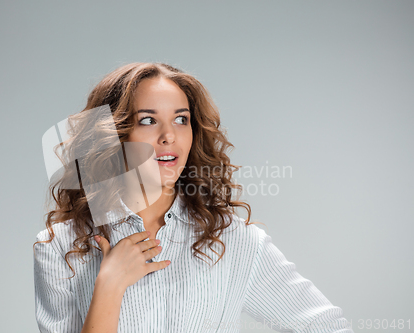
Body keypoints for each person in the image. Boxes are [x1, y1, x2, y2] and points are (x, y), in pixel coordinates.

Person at [33, 62, 354, 333]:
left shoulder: (233, 239)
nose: (168, 135)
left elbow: (328, 326)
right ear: (114, 134)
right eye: (148, 120)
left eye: (181, 119)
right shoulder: (59, 246)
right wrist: (109, 285)